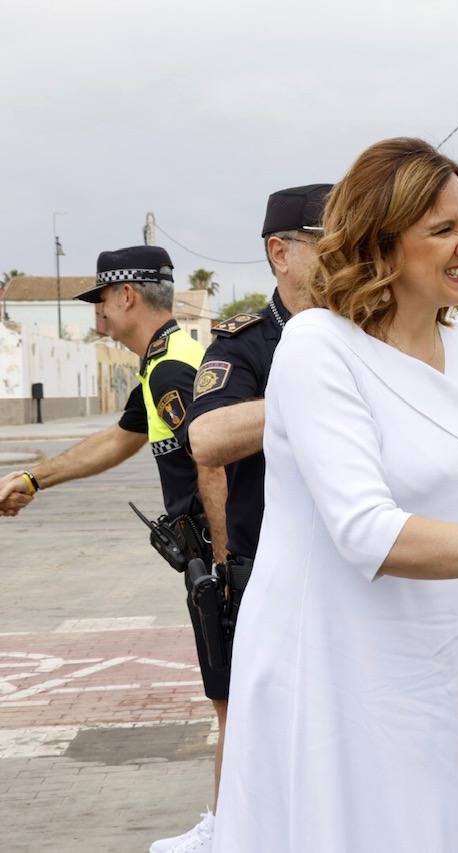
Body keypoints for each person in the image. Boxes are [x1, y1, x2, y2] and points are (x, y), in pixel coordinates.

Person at [210, 137, 458, 853]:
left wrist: (453, 659)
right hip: (327, 664)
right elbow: (367, 530)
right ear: (382, 246)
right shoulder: (317, 347)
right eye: (443, 229)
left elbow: (444, 507)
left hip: (422, 661)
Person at [0, 247, 230, 852]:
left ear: (127, 295)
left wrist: (226, 567)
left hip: (219, 561)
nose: (97, 313)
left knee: (230, 702)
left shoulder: (175, 369)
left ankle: (231, 831)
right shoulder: (162, 362)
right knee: (230, 698)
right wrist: (32, 480)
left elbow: (218, 462)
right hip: (213, 559)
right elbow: (119, 439)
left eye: (100, 299)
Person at [145, 184, 329, 853]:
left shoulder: (369, 332)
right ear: (280, 252)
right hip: (269, 568)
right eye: (324, 243)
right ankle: (232, 831)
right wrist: (227, 567)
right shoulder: (248, 345)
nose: (343, 255)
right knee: (253, 718)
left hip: (355, 563)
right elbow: (210, 441)